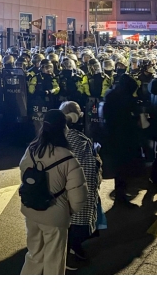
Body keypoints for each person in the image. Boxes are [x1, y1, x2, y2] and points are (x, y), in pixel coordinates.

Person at [19, 109, 88, 275]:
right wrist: (68, 211)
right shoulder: (67, 157)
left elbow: (24, 176)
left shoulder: (32, 149)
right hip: (55, 215)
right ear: (63, 128)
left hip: (31, 210)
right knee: (54, 259)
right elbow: (78, 197)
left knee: (34, 254)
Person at [59, 101, 102, 269]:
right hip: (76, 186)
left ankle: (73, 249)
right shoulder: (73, 137)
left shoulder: (66, 134)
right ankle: (66, 257)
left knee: (75, 224)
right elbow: (79, 162)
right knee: (76, 225)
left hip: (73, 186)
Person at [101, 74, 141, 204]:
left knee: (118, 168)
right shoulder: (125, 100)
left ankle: (120, 194)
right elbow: (131, 119)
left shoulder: (110, 96)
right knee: (123, 168)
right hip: (123, 137)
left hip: (111, 136)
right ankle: (121, 196)